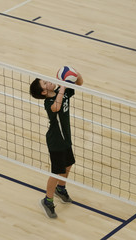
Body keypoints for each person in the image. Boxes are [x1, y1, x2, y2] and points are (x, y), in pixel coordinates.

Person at [29, 70, 83, 218]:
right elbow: (56, 107)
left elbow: (80, 83)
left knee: (69, 164)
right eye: (45, 83)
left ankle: (61, 188)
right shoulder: (49, 102)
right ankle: (48, 200)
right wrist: (63, 85)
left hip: (66, 137)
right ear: (45, 92)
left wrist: (75, 74)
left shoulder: (62, 92)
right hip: (56, 141)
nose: (48, 81)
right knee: (56, 171)